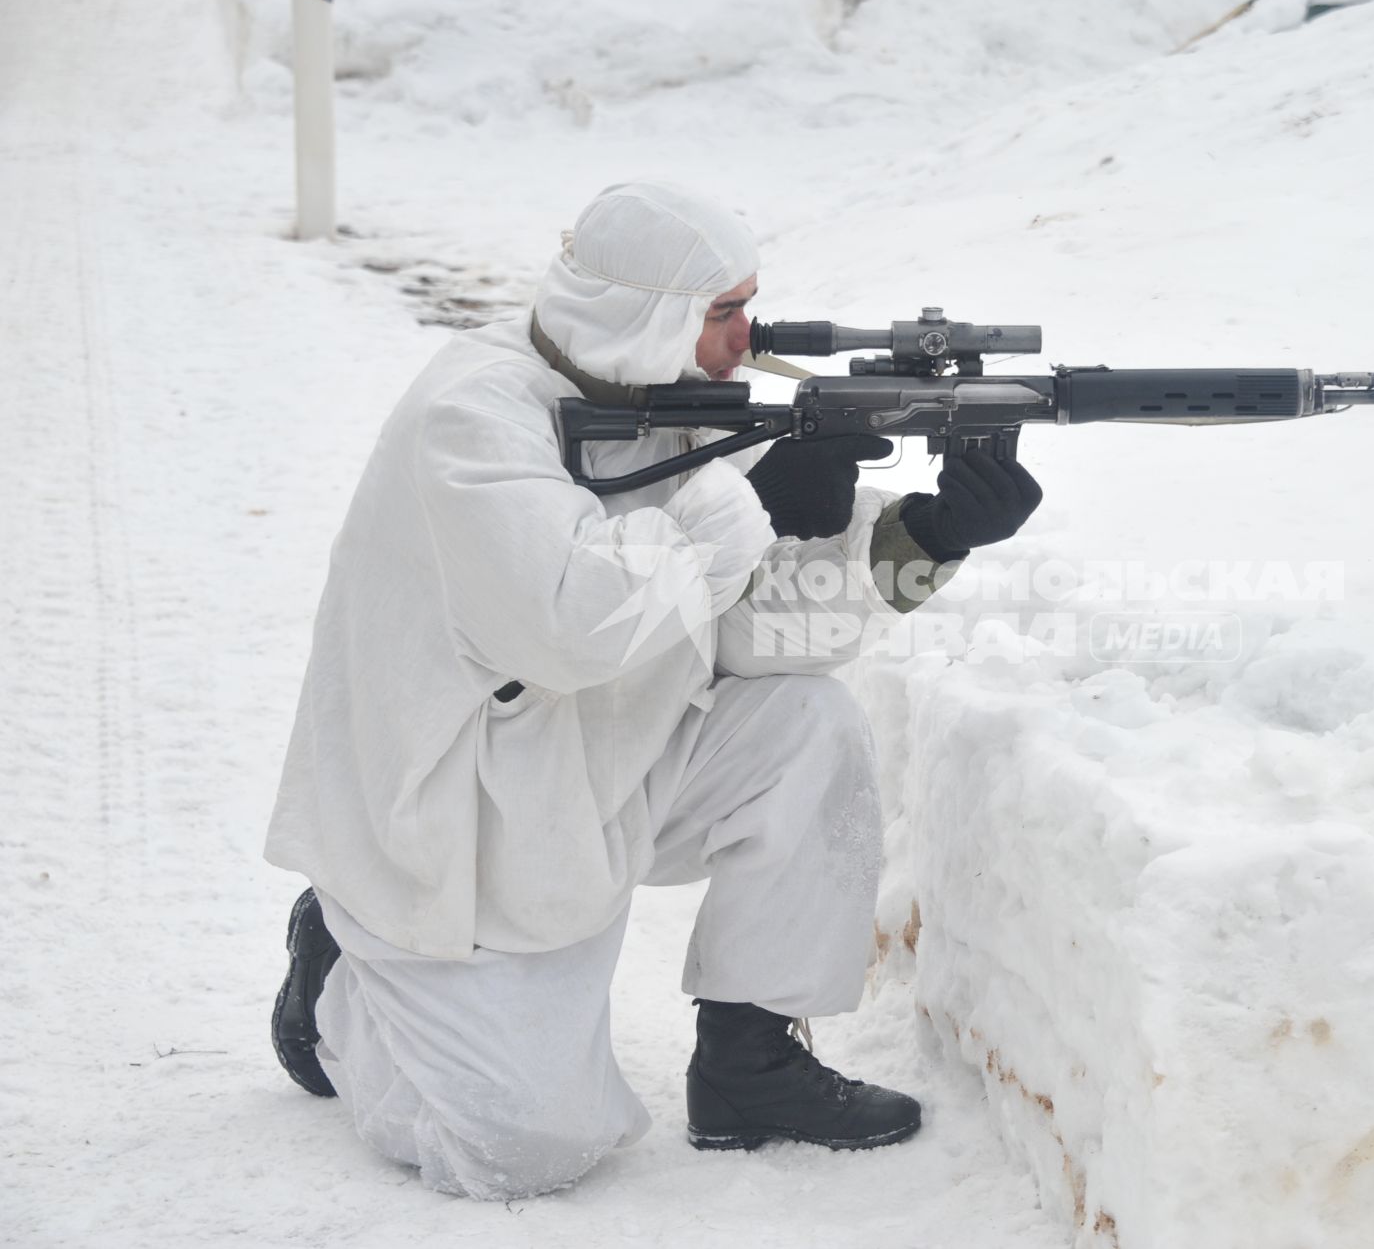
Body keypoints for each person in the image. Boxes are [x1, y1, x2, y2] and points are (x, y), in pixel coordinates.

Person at [264, 181, 1043, 1201]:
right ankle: (336, 977)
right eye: (723, 312)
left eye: (747, 306)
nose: (745, 337)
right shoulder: (472, 418)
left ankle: (750, 1067)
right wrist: (749, 498)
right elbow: (573, 625)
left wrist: (929, 536)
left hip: (599, 769)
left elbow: (750, 630)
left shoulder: (669, 391)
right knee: (520, 1152)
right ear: (642, 309)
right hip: (464, 829)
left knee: (805, 726)